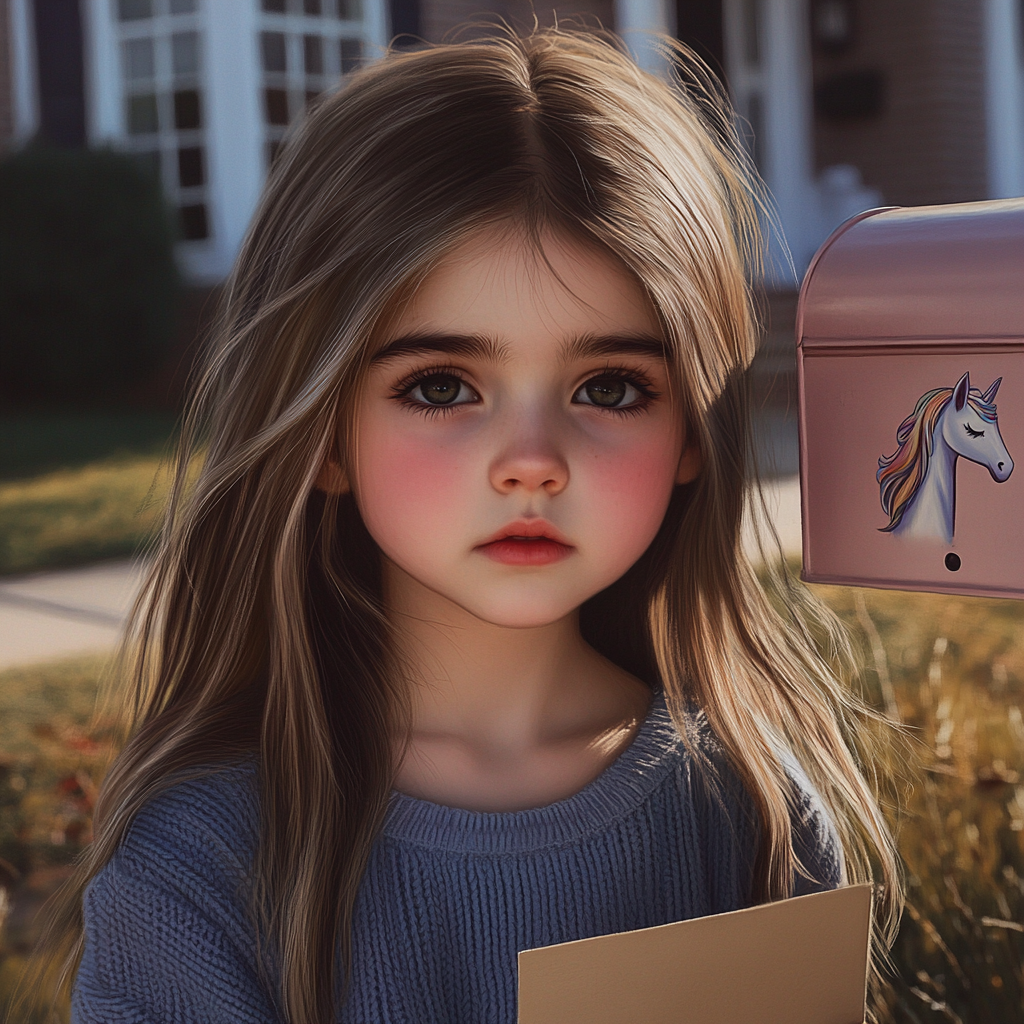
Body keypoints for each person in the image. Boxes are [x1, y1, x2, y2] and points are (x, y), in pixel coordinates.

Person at [47, 27, 900, 1024]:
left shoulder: (753, 816)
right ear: (320, 429)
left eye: (610, 386)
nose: (530, 458)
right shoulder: (194, 871)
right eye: (443, 385)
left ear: (693, 433)